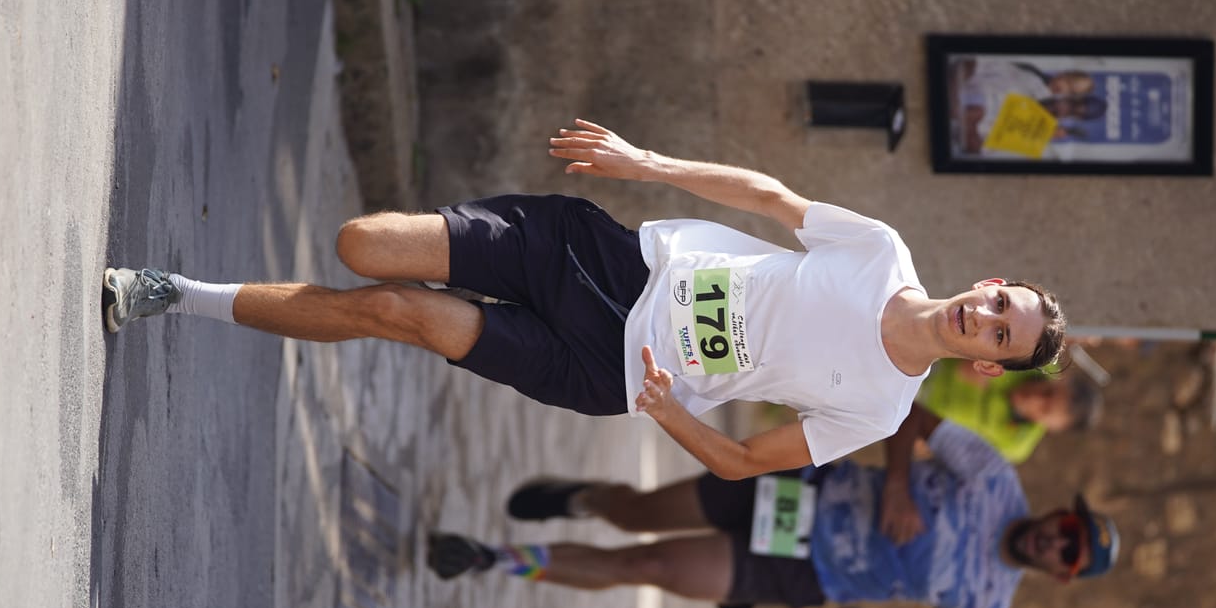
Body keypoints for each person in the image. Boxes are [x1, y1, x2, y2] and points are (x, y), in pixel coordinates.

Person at [103, 120, 1069, 478]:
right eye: (998, 304)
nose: (984, 320)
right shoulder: (881, 250)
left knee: (395, 312)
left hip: (611, 368)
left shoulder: (881, 405)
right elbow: (770, 197)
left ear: (986, 364)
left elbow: (738, 461)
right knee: (367, 245)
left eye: (1000, 336)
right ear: (986, 287)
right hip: (609, 259)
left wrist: (662, 412)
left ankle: (172, 294)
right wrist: (642, 161)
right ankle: (212, 291)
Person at [424, 403, 1121, 608]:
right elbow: (906, 415)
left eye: (1069, 552)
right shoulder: (995, 476)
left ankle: (491, 558)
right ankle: (586, 498)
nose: (1057, 538)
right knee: (637, 515)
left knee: (651, 568)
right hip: (796, 490)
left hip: (801, 571)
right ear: (1061, 514)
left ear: (1060, 573)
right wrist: (900, 484)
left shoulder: (988, 606)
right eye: (1069, 527)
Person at [914, 358, 1103, 465]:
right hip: (928, 359)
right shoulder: (1039, 357)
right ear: (1061, 380)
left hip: (913, 414)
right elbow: (969, 365)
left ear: (1051, 428)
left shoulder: (1015, 445)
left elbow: (943, 453)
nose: (1035, 398)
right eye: (1048, 392)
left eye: (1044, 410)